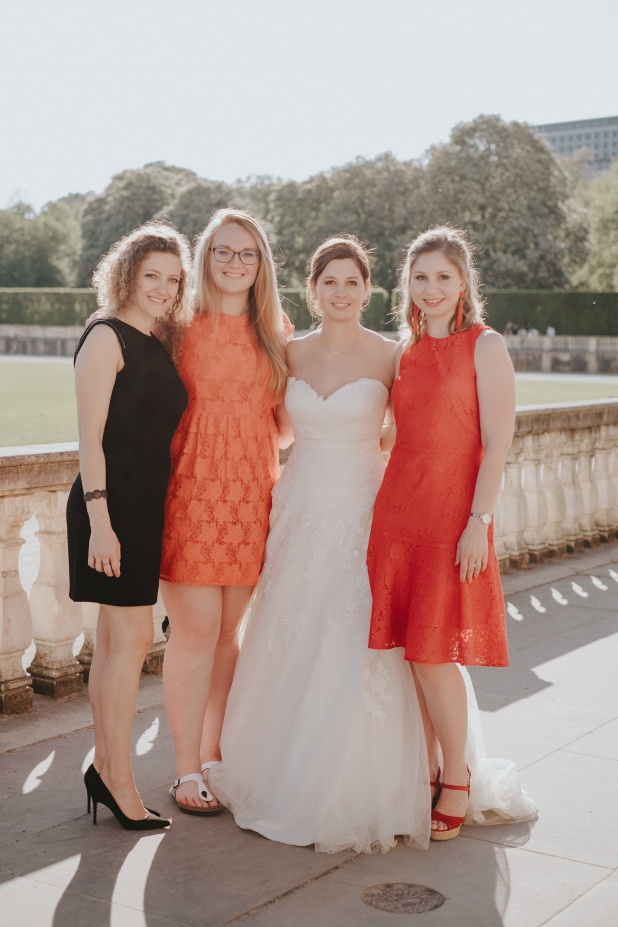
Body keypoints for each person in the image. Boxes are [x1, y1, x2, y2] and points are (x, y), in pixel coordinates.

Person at [210, 235, 431, 852]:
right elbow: (277, 430)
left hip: (364, 508)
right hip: (300, 507)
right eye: (329, 282)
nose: (340, 292)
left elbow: (403, 433)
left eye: (351, 282)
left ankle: (360, 780)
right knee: (292, 626)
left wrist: (359, 457)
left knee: (356, 631)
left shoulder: (391, 355)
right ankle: (276, 768)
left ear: (368, 290)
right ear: (312, 290)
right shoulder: (289, 352)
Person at [367, 226, 537, 841]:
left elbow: (497, 444)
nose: (431, 288)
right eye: (420, 277)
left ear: (464, 281)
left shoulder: (485, 346)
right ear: (407, 284)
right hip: (396, 516)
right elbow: (397, 435)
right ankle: (433, 770)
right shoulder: (404, 351)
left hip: (451, 521)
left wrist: (477, 523)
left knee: (434, 656)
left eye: (443, 276)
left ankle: (458, 779)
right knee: (411, 655)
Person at [159, 208, 291, 815]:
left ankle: (214, 756)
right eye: (224, 251)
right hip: (189, 495)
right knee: (193, 634)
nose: (236, 263)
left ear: (261, 264)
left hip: (251, 498)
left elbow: (285, 427)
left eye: (248, 253)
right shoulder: (177, 325)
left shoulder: (276, 329)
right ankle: (185, 768)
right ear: (206, 257)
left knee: (227, 639)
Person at [67, 222, 190, 830]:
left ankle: (104, 768)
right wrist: (101, 523)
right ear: (127, 275)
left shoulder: (156, 338)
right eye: (152, 276)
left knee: (116, 644)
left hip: (141, 511)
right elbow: (89, 439)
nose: (163, 288)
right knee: (134, 640)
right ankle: (118, 780)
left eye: (173, 279)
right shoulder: (105, 336)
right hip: (109, 512)